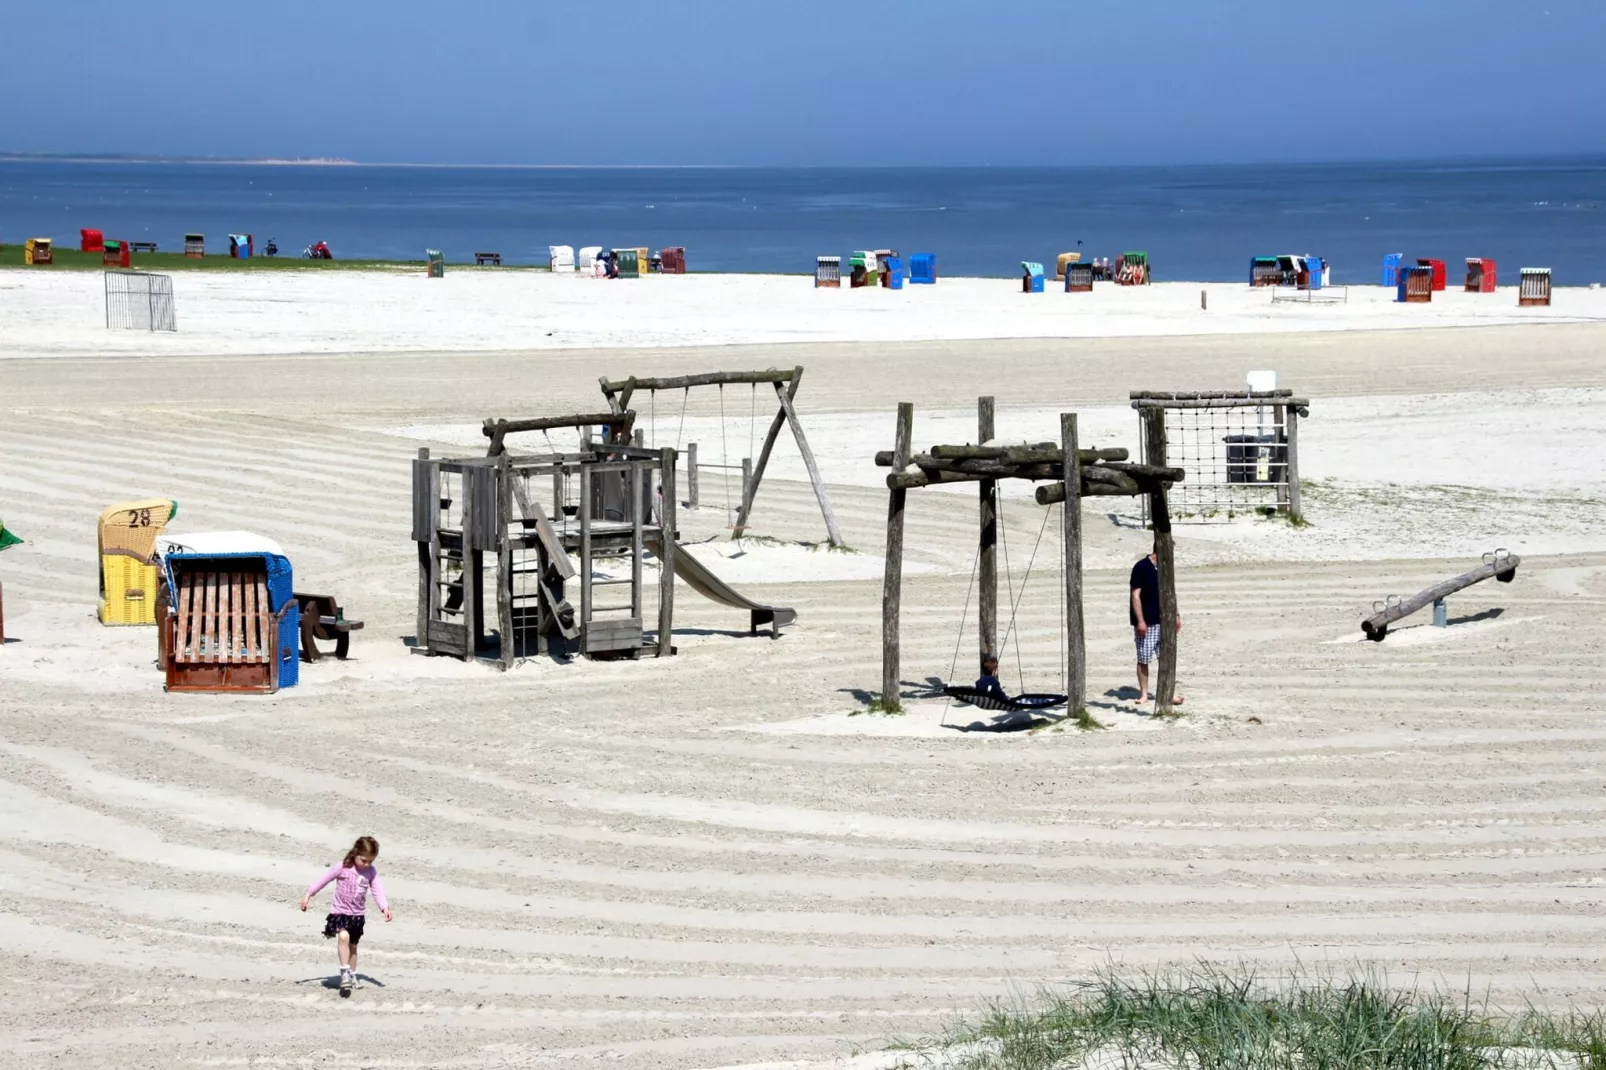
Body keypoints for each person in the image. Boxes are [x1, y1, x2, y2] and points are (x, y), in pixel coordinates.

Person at [301, 835, 392, 997]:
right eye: (364, 860)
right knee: (343, 937)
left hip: (357, 916)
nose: (367, 864)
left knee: (353, 947)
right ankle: (344, 973)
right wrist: (309, 894)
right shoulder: (342, 867)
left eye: (370, 861)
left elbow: (377, 890)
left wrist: (384, 907)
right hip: (340, 912)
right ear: (355, 853)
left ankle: (352, 974)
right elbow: (324, 880)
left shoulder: (371, 872)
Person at [1130, 545, 1183, 705]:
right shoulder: (1141, 567)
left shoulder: (1165, 567)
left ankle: (1169, 694)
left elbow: (1170, 592)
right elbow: (1135, 595)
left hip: (1165, 621)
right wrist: (1140, 621)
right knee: (1144, 658)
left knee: (1166, 657)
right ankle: (1144, 694)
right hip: (1147, 621)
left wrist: (1176, 614)